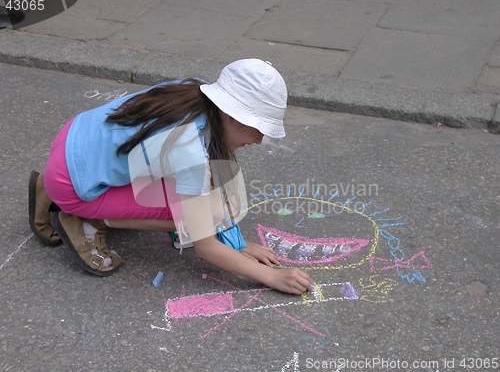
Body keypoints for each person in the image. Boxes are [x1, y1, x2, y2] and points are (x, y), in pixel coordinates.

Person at [28, 58, 315, 295]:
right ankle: (81, 218)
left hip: (71, 142)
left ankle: (48, 187)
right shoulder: (190, 152)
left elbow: (213, 181)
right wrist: (271, 276)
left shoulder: (193, 91)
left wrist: (239, 244)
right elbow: (205, 245)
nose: (260, 139)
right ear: (231, 116)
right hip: (74, 185)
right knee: (195, 214)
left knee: (208, 201)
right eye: (258, 128)